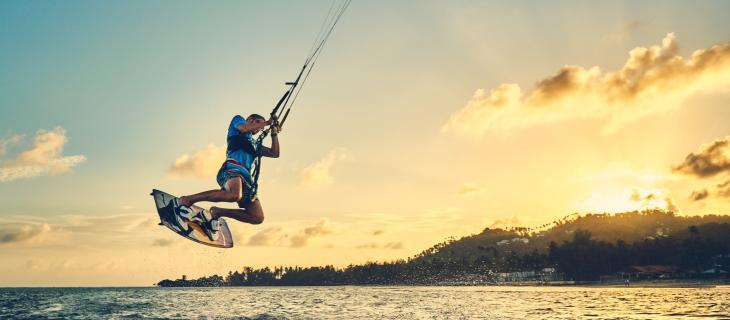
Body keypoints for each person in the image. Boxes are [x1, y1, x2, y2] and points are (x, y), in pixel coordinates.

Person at [175, 113, 280, 240]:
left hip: (247, 181)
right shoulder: (238, 122)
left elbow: (275, 153)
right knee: (234, 195)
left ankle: (218, 212)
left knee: (257, 217)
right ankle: (187, 200)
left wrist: (274, 133)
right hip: (232, 169)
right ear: (250, 120)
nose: (259, 128)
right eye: (257, 122)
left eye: (261, 127)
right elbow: (243, 128)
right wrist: (267, 122)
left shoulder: (255, 144)